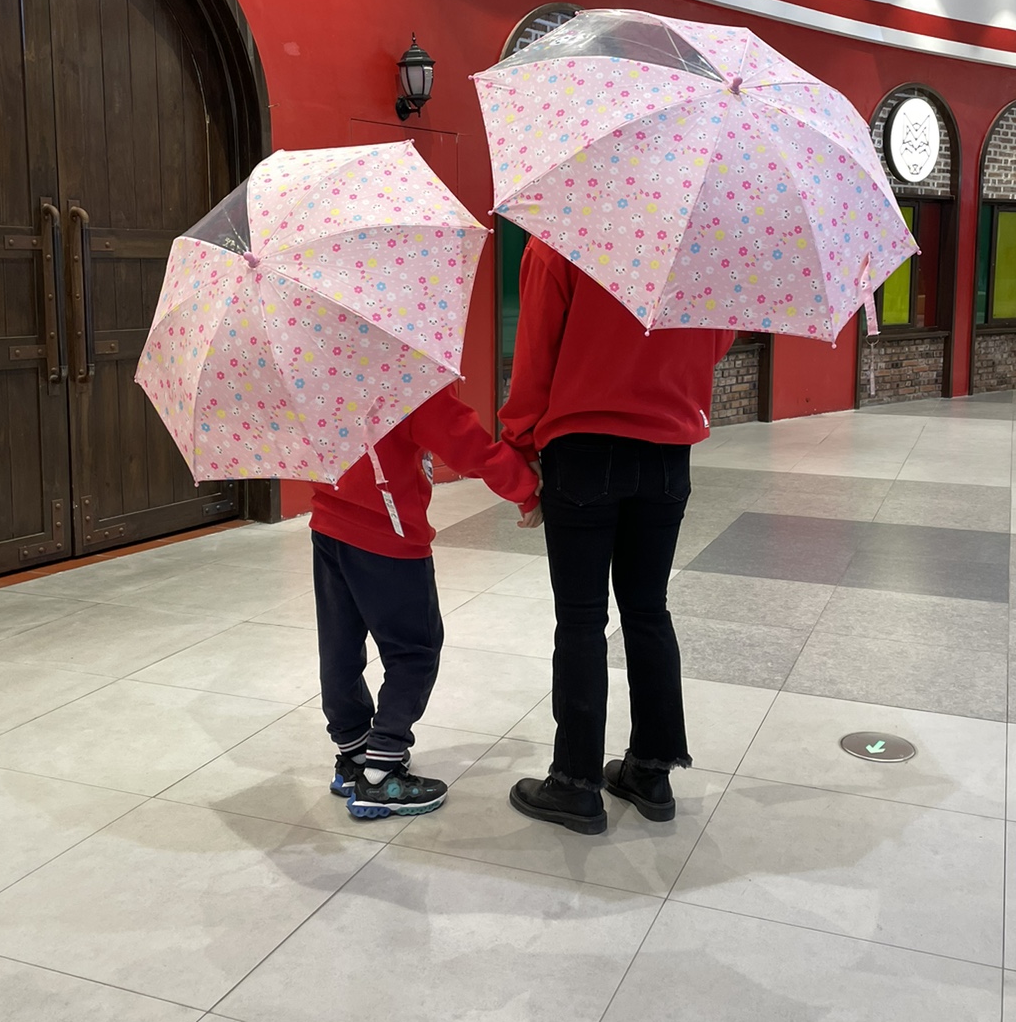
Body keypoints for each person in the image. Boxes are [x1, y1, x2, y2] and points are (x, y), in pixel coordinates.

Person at [499, 238, 734, 834]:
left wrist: (523, 450)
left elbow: (534, 358)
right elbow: (721, 339)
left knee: (580, 620)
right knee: (648, 610)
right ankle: (650, 772)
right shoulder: (707, 245)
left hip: (582, 450)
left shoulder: (560, 238)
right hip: (668, 452)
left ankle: (575, 785)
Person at [311, 385, 539, 819]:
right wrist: (526, 487)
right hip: (389, 534)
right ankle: (381, 773)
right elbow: (468, 446)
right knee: (415, 649)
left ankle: (354, 753)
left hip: (329, 523)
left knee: (339, 645)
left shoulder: (319, 367)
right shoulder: (406, 374)